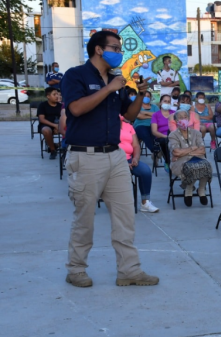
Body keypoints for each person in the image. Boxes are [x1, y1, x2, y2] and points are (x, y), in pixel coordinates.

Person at [62, 30, 158, 287]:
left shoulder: (117, 81)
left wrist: (139, 94)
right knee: (85, 218)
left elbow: (128, 115)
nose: (120, 53)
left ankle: (129, 270)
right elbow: (76, 109)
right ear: (98, 49)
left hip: (115, 156)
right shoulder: (76, 75)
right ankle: (76, 270)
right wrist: (108, 89)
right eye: (115, 48)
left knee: (126, 216)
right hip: (85, 156)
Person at [168, 110, 213, 207]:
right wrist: (193, 148)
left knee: (207, 165)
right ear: (176, 121)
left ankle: (201, 189)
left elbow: (202, 151)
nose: (183, 119)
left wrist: (183, 152)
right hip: (180, 162)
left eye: (185, 117)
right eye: (180, 117)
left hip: (197, 157)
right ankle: (189, 189)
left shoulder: (196, 133)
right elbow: (175, 152)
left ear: (188, 119)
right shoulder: (173, 135)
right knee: (190, 167)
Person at [119, 116, 159, 213]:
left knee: (145, 171)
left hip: (129, 159)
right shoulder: (107, 127)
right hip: (114, 161)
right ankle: (120, 203)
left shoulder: (128, 126)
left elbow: (136, 145)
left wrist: (136, 158)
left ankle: (145, 202)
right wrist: (121, 163)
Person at [37, 87, 62, 159]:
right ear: (48, 96)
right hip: (46, 125)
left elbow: (65, 118)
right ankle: (53, 150)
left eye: (57, 94)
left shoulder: (61, 106)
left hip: (59, 125)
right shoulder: (42, 105)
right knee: (46, 130)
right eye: (54, 94)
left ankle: (58, 145)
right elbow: (41, 119)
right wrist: (54, 125)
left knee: (72, 129)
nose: (57, 96)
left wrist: (59, 126)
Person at [152, 95, 174, 171]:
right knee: (165, 141)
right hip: (161, 137)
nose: (167, 103)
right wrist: (165, 136)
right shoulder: (156, 115)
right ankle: (168, 161)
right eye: (165, 101)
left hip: (173, 135)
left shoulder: (174, 113)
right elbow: (154, 131)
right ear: (160, 102)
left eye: (169, 101)